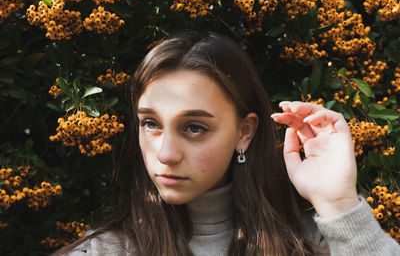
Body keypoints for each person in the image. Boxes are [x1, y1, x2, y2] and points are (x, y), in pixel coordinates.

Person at [53, 30, 400, 255]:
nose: (165, 154)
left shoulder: (318, 247)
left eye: (194, 128)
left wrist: (338, 204)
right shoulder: (102, 253)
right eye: (151, 124)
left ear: (244, 132)